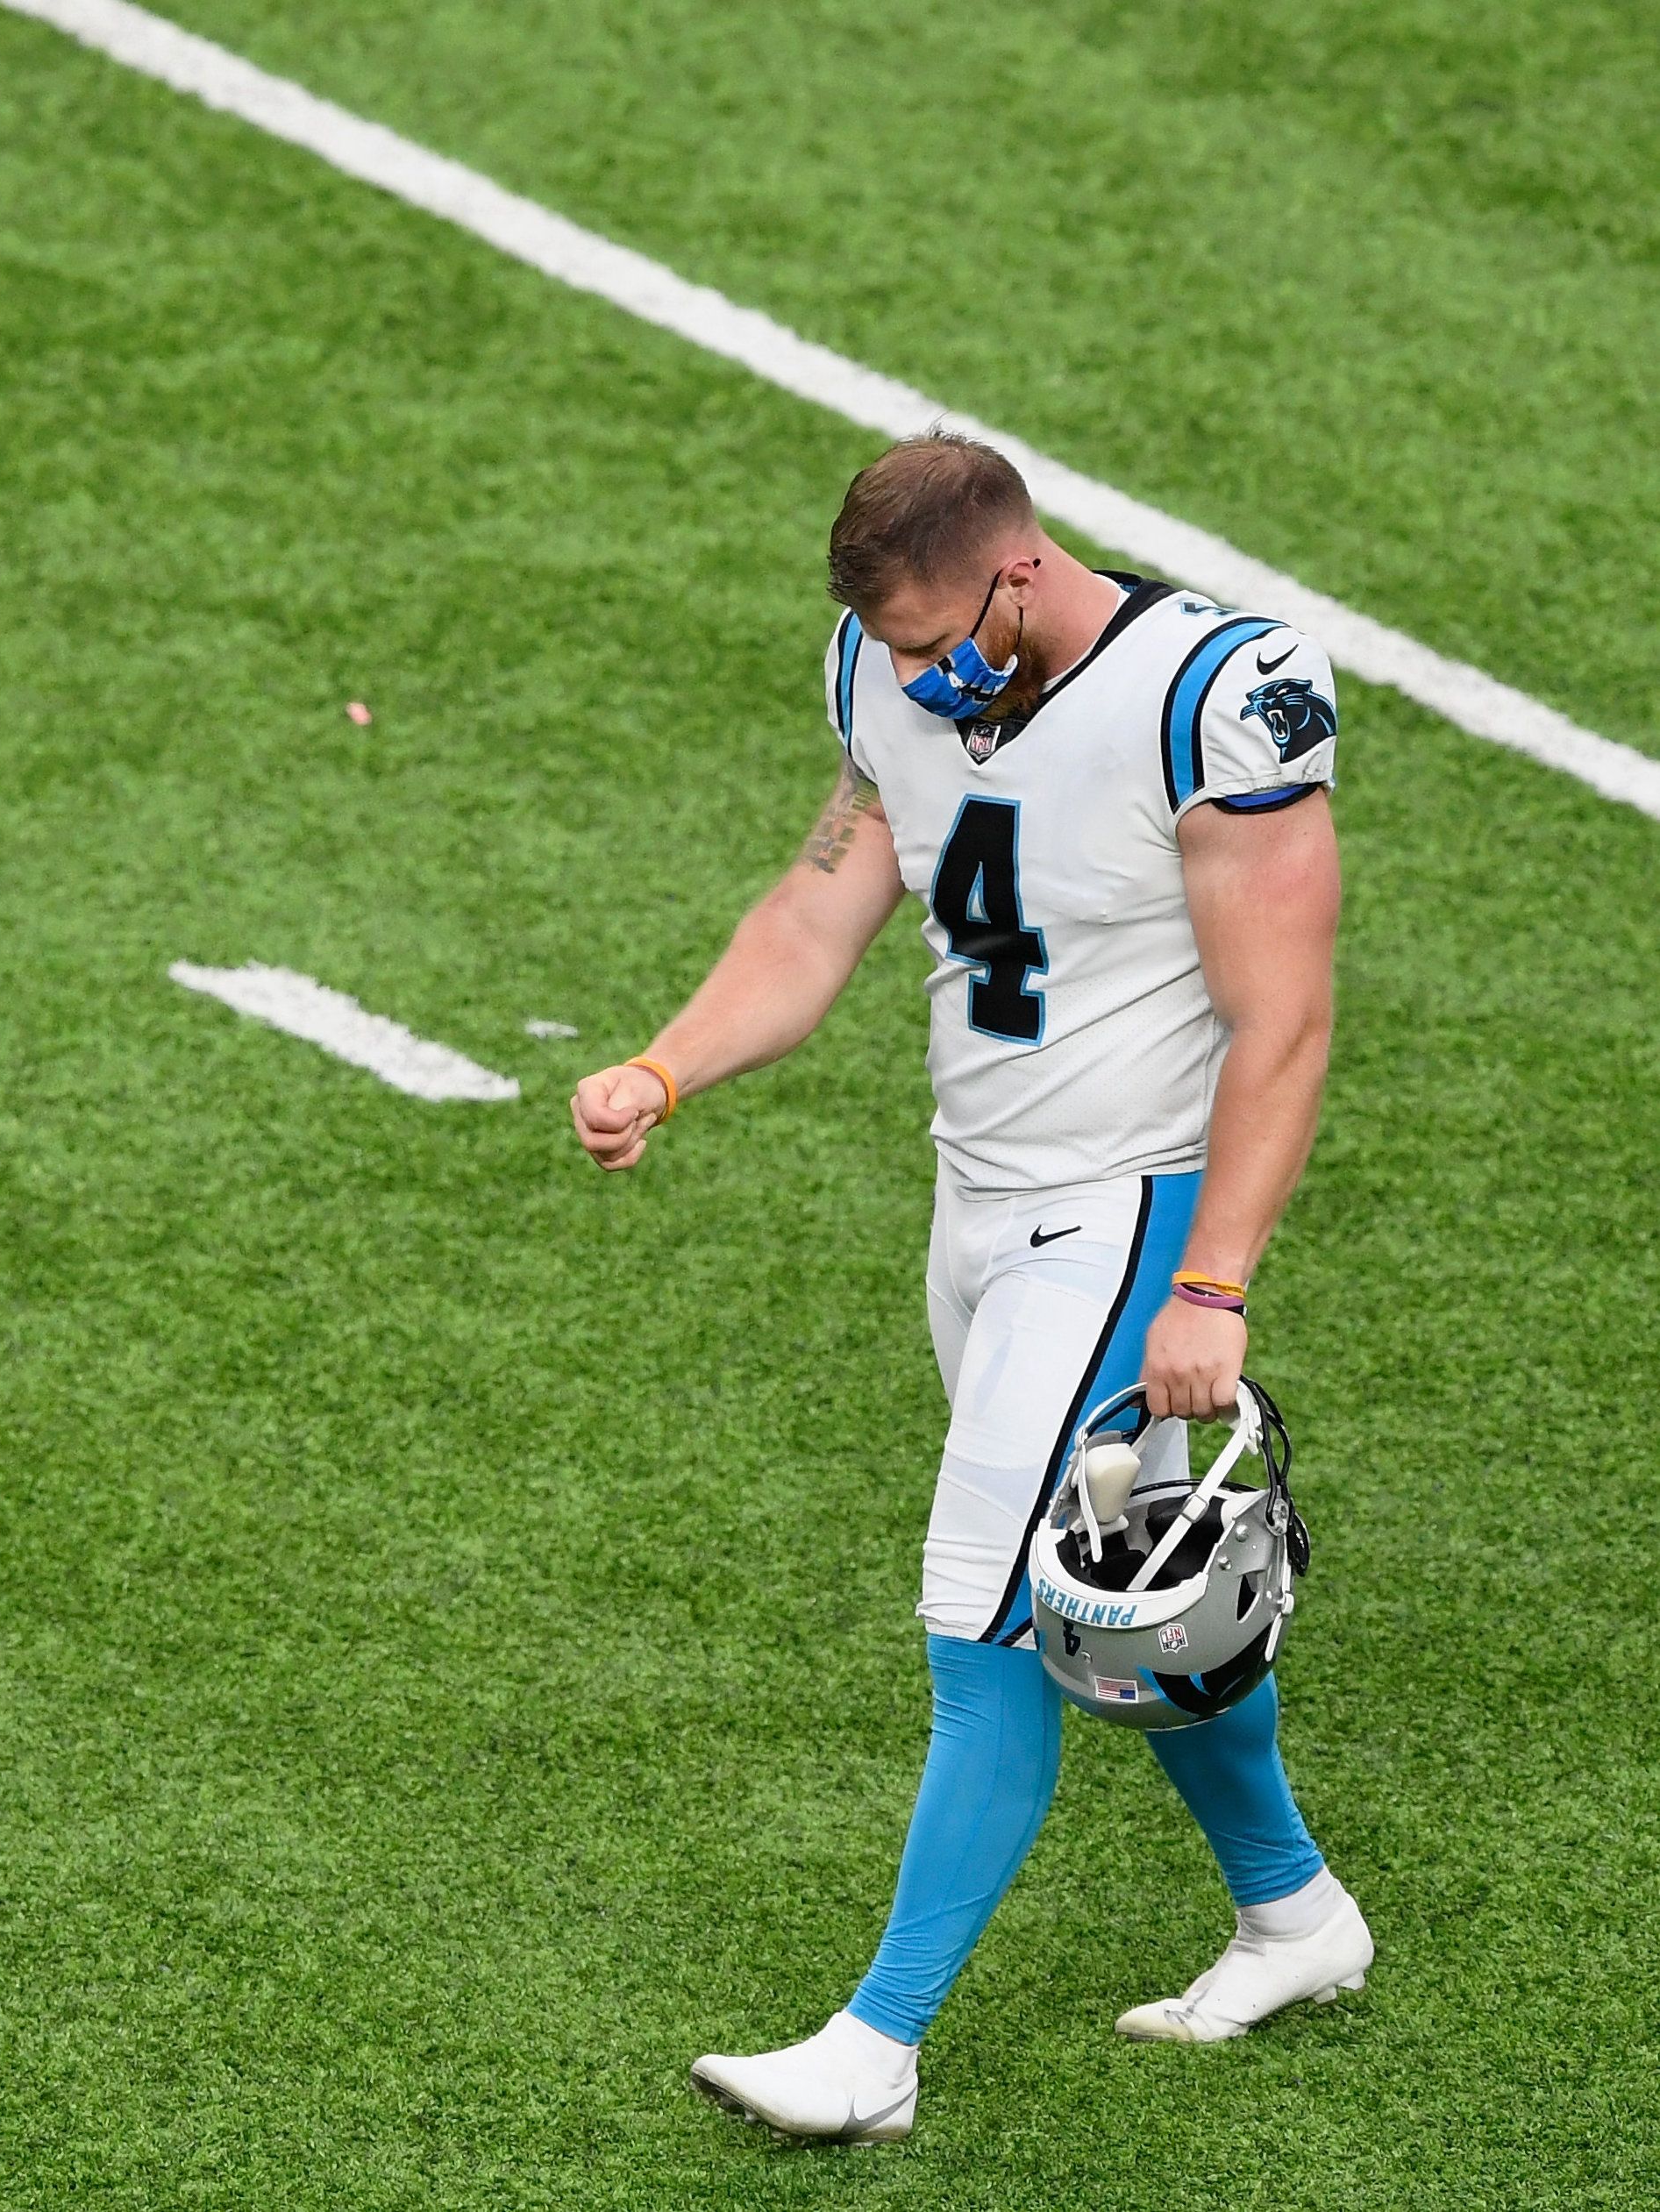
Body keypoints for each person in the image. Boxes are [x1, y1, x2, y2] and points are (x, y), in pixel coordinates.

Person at [574, 433, 1371, 2142]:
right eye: (898, 650)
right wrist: (664, 1065)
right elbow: (810, 918)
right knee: (1121, 1600)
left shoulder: (1205, 695)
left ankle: (873, 2045)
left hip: (1122, 1215)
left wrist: (1210, 1280)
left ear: (1018, 566)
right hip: (977, 1202)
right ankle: (1292, 1909)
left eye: (945, 640)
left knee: (981, 1604)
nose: (923, 677)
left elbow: (1280, 1020)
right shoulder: (889, 669)